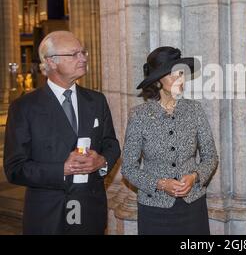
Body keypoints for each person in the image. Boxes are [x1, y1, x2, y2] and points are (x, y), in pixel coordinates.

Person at [3, 31, 121, 235]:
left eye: (83, 52)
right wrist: (62, 169)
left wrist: (101, 162)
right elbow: (15, 168)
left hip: (89, 210)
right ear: (52, 62)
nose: (83, 58)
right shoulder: (24, 108)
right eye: (74, 54)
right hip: (48, 214)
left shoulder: (96, 101)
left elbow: (111, 144)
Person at [122, 46, 218, 235]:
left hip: (193, 206)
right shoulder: (139, 116)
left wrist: (194, 177)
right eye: (173, 75)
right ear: (157, 81)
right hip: (155, 209)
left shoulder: (194, 110)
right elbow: (128, 168)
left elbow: (210, 156)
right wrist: (161, 183)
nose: (180, 79)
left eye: (182, 74)